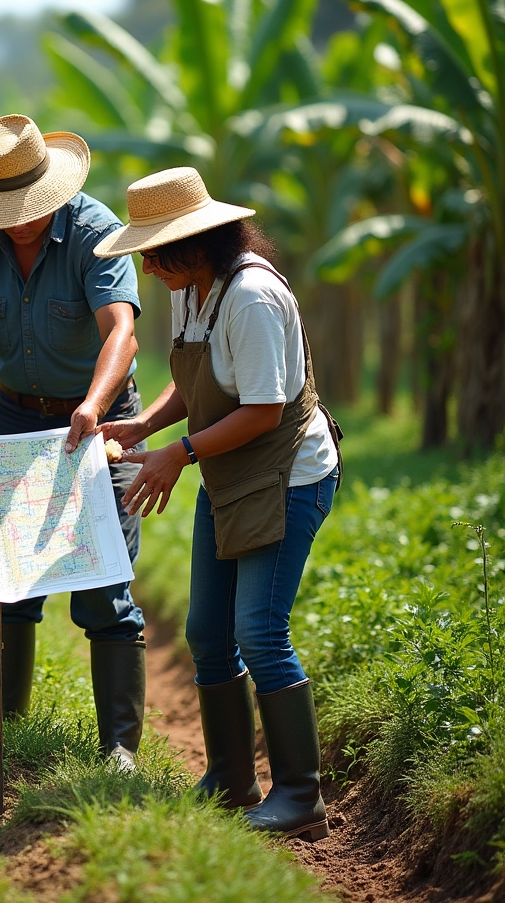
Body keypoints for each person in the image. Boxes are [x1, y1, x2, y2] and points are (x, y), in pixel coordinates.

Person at [94, 166, 342, 840]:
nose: (144, 266)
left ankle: (300, 794)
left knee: (258, 631)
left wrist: (181, 454)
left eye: (152, 250)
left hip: (289, 476)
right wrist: (147, 429)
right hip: (230, 473)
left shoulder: (253, 297)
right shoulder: (192, 289)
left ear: (194, 243)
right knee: (207, 630)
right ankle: (232, 778)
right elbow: (197, 378)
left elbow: (262, 410)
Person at [0, 113, 147, 769]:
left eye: (26, 208)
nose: (16, 222)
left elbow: (122, 333)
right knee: (12, 581)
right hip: (15, 417)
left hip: (98, 423)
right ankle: (9, 729)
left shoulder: (94, 231)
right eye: (2, 210)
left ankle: (119, 750)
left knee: (104, 585)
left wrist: (92, 403)